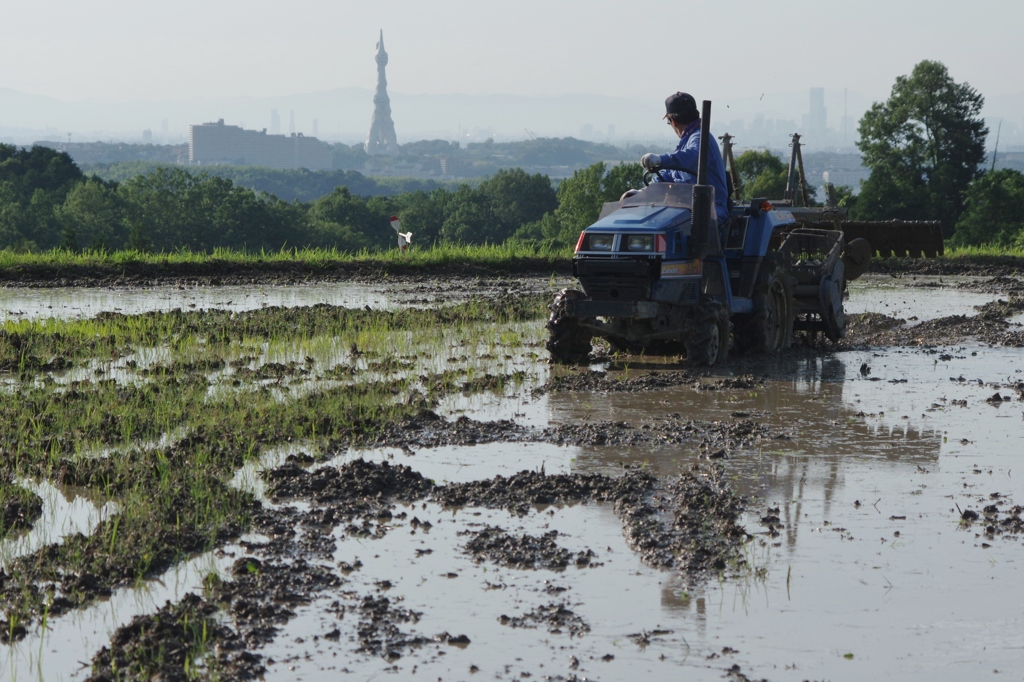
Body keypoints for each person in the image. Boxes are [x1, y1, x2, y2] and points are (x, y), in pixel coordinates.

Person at [640, 92, 730, 226]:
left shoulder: (700, 138)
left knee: (682, 226)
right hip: (684, 209)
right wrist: (643, 193)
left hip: (710, 210)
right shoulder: (687, 140)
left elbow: (691, 156)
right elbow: (671, 173)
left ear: (673, 121)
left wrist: (660, 160)